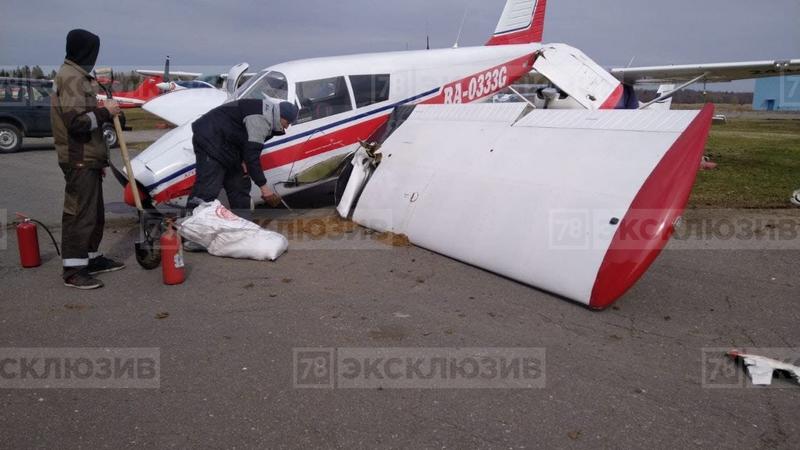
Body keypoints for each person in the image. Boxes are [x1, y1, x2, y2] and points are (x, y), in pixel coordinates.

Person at [52, 29, 124, 290]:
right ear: (85, 51)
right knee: (79, 214)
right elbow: (76, 123)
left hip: (89, 157)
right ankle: (73, 270)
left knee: (94, 214)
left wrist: (98, 158)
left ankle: (90, 259)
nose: (95, 57)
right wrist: (105, 112)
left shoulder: (80, 76)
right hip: (78, 158)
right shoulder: (71, 77)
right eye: (94, 51)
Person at [187, 97, 299, 216]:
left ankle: (243, 225)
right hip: (210, 137)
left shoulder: (270, 114)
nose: (286, 127)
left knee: (239, 184)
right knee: (208, 186)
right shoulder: (261, 120)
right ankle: (188, 221)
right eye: (287, 123)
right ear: (281, 116)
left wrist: (244, 159)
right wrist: (264, 188)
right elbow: (252, 157)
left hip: (229, 143)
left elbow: (246, 141)